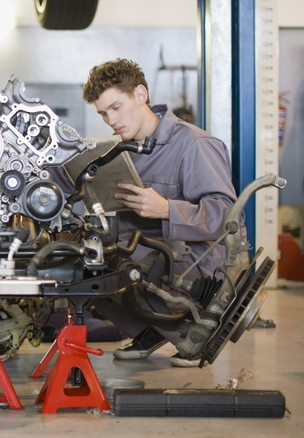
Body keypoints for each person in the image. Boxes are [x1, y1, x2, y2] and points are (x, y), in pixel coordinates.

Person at [71, 58, 241, 367]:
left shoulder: (195, 145)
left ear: (140, 95)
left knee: (112, 266)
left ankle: (188, 330)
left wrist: (166, 209)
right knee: (80, 262)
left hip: (194, 264)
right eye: (103, 113)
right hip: (147, 252)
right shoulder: (121, 149)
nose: (111, 120)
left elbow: (228, 216)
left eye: (116, 107)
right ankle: (153, 328)